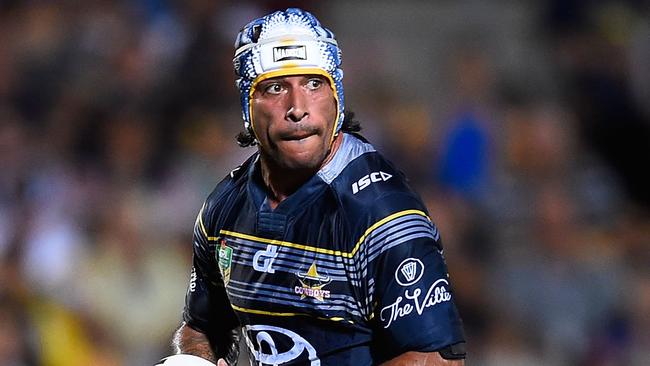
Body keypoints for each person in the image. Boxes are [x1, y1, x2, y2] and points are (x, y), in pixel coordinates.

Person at [171, 8, 466, 366]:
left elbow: (437, 359)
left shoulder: (382, 214)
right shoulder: (223, 210)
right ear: (248, 105)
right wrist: (196, 359)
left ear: (337, 98)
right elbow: (201, 326)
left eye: (313, 84)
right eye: (276, 87)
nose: (297, 108)